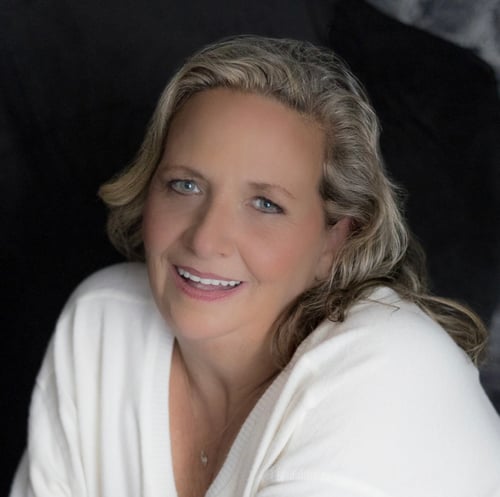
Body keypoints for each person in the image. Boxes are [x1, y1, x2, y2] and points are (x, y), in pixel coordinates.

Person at [10, 36, 500, 497]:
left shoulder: (391, 371)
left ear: (334, 240)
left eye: (265, 204)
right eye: (185, 185)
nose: (205, 239)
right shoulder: (102, 322)